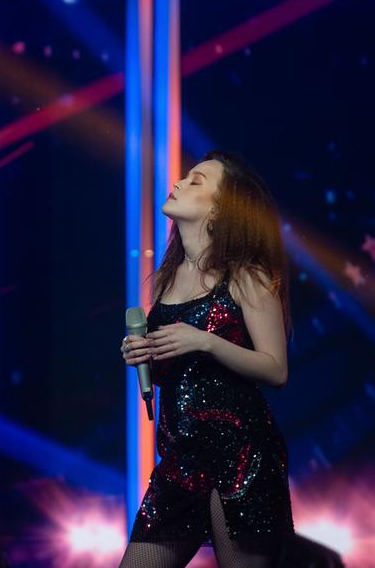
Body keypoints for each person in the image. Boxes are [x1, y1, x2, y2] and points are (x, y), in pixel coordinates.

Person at [118, 149, 295, 567]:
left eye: (195, 180)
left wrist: (206, 341)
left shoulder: (246, 275)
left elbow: (276, 368)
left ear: (220, 208)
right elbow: (179, 371)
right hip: (180, 455)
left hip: (240, 452)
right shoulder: (167, 279)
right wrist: (145, 355)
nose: (177, 182)